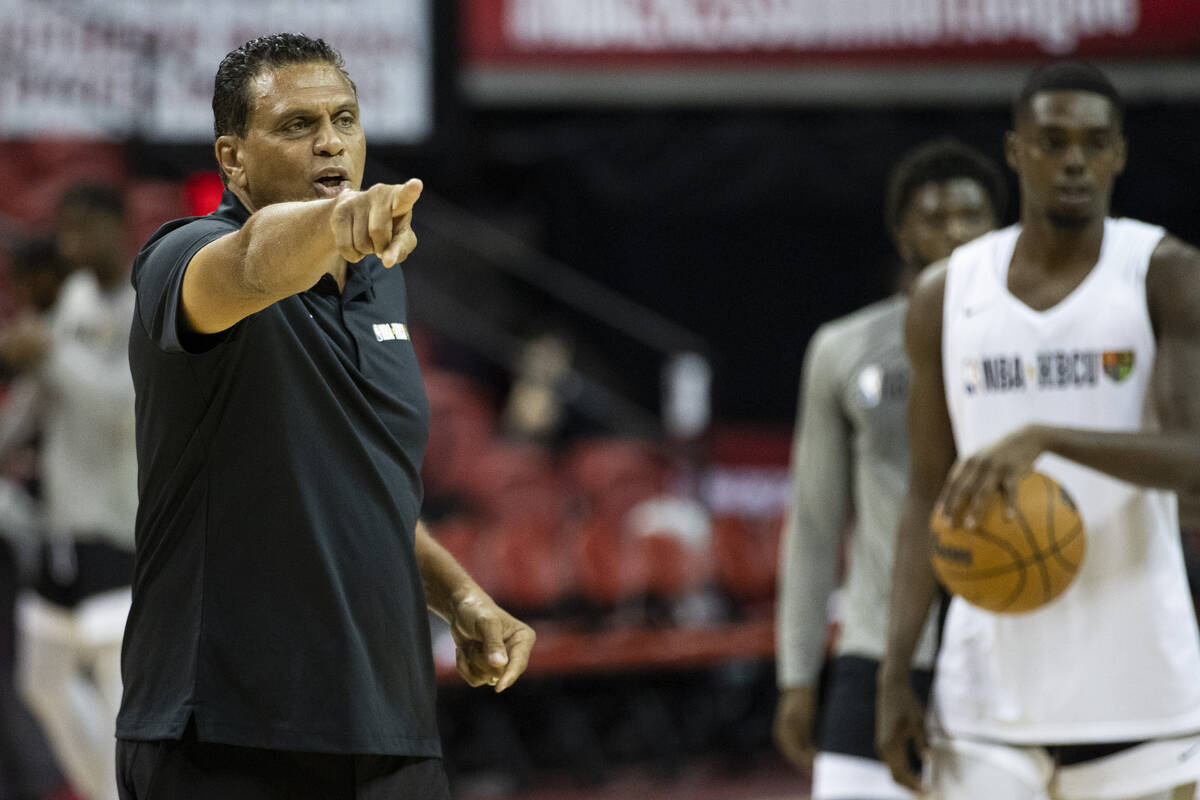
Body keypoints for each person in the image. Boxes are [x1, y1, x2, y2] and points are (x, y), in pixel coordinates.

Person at [116, 33, 535, 800]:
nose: (331, 142)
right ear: (232, 157)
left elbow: (367, 487)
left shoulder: (379, 285)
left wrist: (462, 597)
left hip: (390, 731)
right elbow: (253, 257)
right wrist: (338, 225)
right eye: (296, 125)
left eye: (344, 119)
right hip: (224, 736)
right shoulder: (183, 258)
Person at [877, 60, 1200, 800]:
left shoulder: (1164, 274)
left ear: (1119, 152)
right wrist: (898, 672)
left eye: (1094, 142)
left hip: (1141, 684)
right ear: (1017, 151)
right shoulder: (944, 295)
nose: (1075, 161)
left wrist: (1047, 436)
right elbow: (925, 488)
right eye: (1052, 141)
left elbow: (1195, 459)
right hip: (985, 693)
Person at [773, 138, 1005, 800]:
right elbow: (815, 525)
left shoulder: (1036, 343)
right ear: (902, 232)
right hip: (877, 652)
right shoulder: (844, 349)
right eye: (934, 217)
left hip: (1006, 645)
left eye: (970, 215)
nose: (954, 232)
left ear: (1000, 229)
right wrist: (797, 672)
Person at [0, 186, 139, 800]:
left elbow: (121, 408)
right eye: (66, 232)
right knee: (41, 682)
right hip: (62, 532)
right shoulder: (74, 302)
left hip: (121, 529)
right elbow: (34, 404)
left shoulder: (146, 306)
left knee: (119, 698)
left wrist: (49, 352)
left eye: (85, 230)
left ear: (118, 227)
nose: (73, 245)